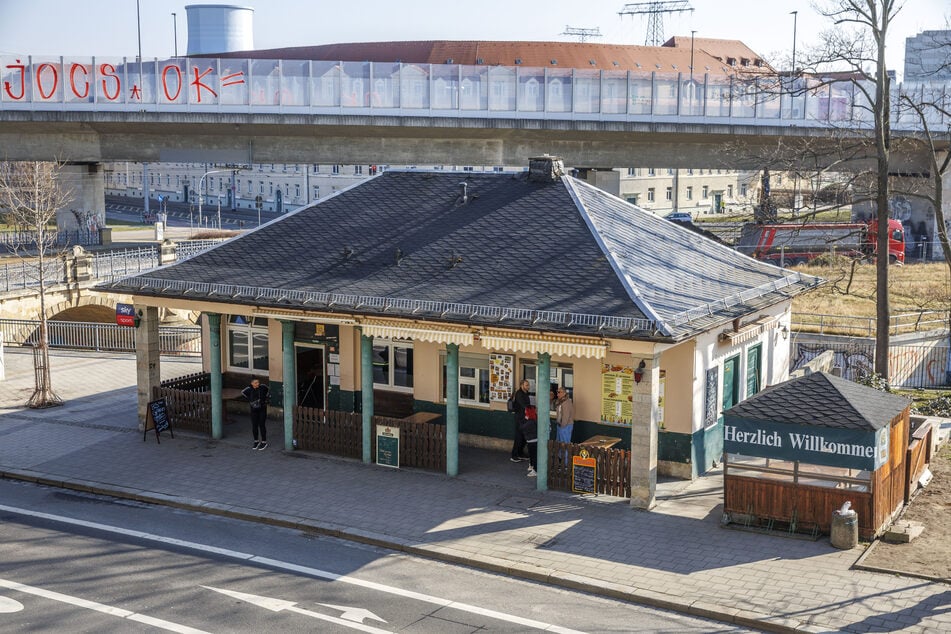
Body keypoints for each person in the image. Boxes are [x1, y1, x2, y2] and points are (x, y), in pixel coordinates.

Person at [241, 377, 270, 450]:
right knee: (254, 425)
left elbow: (268, 389)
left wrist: (265, 398)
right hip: (254, 409)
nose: (258, 384)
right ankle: (256, 441)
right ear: (252, 383)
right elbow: (242, 392)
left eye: (258, 382)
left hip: (262, 409)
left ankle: (264, 442)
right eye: (256, 382)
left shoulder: (263, 387)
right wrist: (250, 400)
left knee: (262, 425)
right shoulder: (249, 389)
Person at [510, 379, 532, 463]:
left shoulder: (525, 393)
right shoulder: (519, 394)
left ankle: (520, 453)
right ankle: (514, 455)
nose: (528, 386)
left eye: (528, 385)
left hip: (525, 418)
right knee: (518, 437)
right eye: (526, 385)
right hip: (520, 418)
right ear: (521, 385)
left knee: (523, 437)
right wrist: (531, 409)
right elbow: (524, 405)